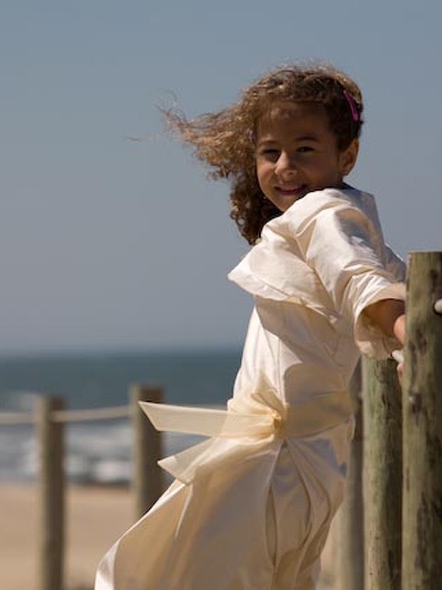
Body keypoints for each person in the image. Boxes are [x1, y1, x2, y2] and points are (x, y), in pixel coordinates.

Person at [94, 63, 407, 590]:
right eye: (270, 152)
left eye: (305, 149)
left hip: (274, 461)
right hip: (310, 456)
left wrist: (408, 342)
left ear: (346, 155)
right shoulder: (348, 218)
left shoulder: (322, 214)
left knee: (162, 575)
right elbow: (390, 279)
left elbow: (364, 285)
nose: (285, 167)